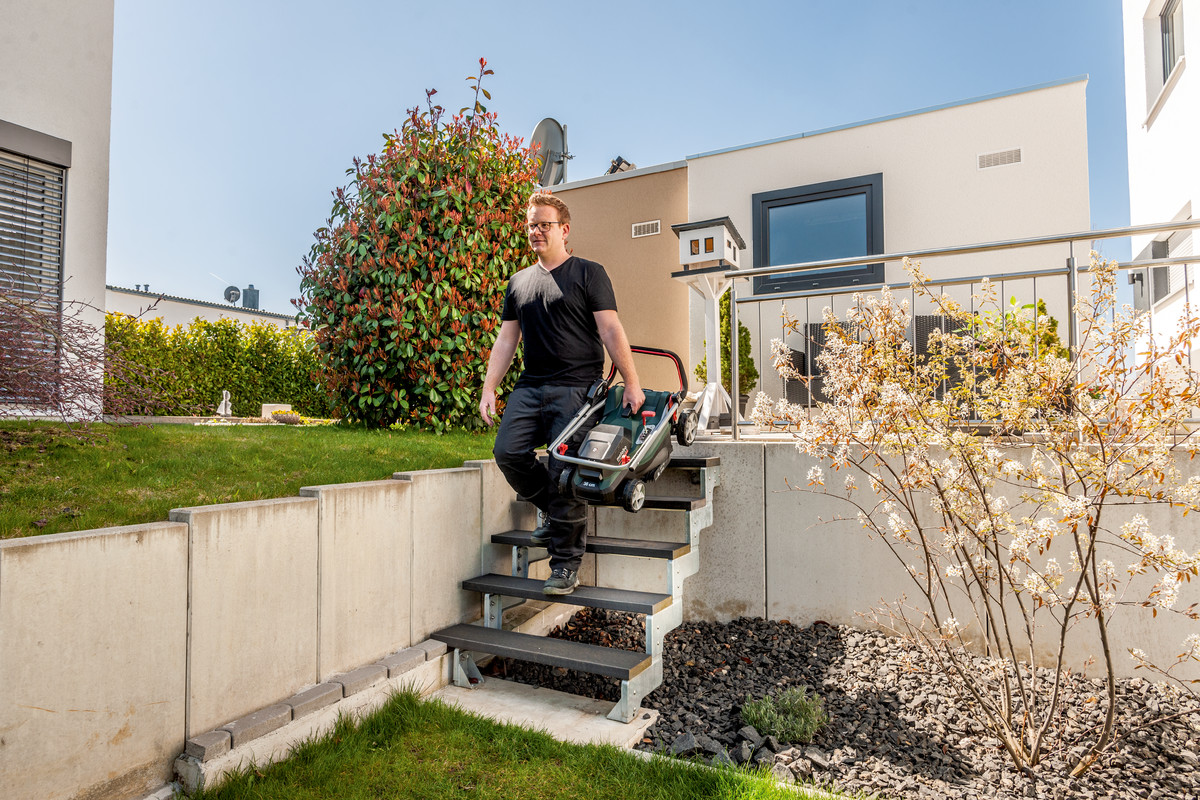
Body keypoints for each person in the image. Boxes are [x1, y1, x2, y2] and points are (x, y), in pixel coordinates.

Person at [479, 193, 644, 595]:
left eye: (544, 224)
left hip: (578, 389)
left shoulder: (589, 273)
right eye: (531, 225)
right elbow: (507, 340)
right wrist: (489, 386)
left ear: (564, 230)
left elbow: (610, 329)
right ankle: (553, 512)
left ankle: (565, 566)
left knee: (562, 471)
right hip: (531, 386)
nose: (536, 231)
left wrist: (632, 380)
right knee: (508, 452)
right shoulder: (519, 282)